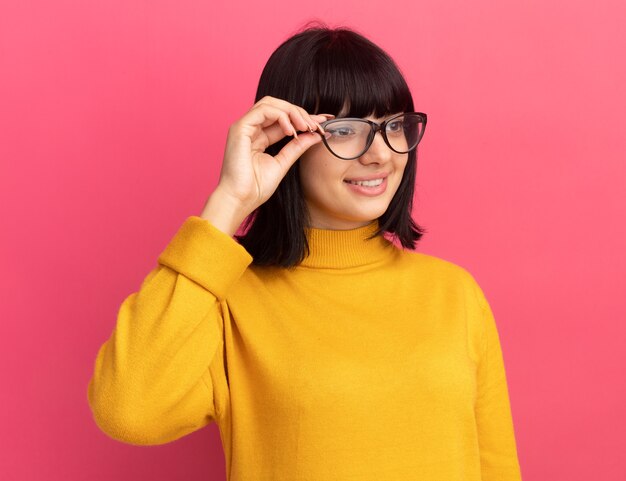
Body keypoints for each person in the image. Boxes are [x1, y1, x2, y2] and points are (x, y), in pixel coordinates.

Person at [87, 24, 523, 481]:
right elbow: (127, 410)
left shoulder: (455, 293)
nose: (379, 154)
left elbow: (496, 466)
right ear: (286, 139)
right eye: (347, 129)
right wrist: (229, 202)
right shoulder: (224, 300)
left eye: (393, 125)